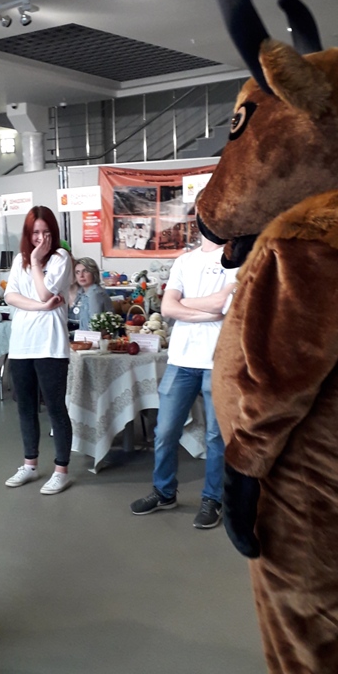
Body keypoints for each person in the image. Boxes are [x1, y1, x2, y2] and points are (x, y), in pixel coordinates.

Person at [130, 205, 236, 527]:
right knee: (165, 431)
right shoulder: (184, 261)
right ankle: (164, 492)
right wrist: (207, 309)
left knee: (216, 437)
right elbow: (168, 308)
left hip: (219, 360)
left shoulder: (237, 261)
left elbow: (224, 305)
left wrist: (184, 305)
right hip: (181, 360)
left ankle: (213, 499)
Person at [4, 206, 74, 494]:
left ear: (53, 233)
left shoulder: (60, 257)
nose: (41, 238)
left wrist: (35, 263)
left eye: (46, 232)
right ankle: (29, 465)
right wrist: (42, 307)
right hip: (21, 345)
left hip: (51, 345)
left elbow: (45, 291)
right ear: (28, 233)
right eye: (35, 233)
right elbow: (10, 296)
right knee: (25, 406)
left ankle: (61, 470)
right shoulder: (18, 260)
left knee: (55, 407)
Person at [68, 257, 114, 331]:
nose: (81, 276)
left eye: (85, 271)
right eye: (77, 272)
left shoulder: (95, 294)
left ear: (93, 273)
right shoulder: (82, 292)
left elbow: (94, 327)